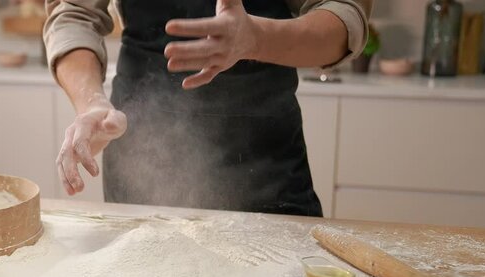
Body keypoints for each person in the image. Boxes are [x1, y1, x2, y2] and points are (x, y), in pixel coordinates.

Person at [44, 0, 372, 216]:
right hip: (142, 152)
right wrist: (91, 102)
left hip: (266, 159)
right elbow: (73, 13)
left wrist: (255, 38)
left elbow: (345, 17)